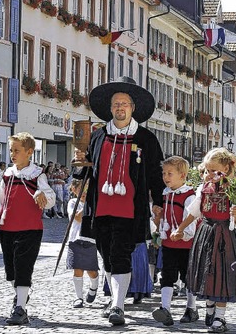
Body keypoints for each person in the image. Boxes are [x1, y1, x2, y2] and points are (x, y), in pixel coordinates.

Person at [73, 76, 164, 326]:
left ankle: (117, 306)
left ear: (133, 108)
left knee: (120, 254)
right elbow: (86, 168)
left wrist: (159, 202)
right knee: (107, 256)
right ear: (110, 108)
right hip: (100, 207)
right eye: (116, 104)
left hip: (129, 208)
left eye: (124, 103)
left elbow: (156, 173)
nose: (120, 108)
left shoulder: (145, 138)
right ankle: (115, 299)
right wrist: (79, 164)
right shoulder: (99, 135)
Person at [171, 148, 236, 332]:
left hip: (224, 235)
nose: (210, 174)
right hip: (206, 233)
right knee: (206, 272)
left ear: (226, 169)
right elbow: (194, 212)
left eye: (215, 170)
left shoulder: (234, 188)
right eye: (207, 170)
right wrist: (180, 229)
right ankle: (209, 307)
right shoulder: (203, 188)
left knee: (222, 274)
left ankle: (220, 318)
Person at [0, 132, 55, 325]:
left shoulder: (37, 175)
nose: (12, 154)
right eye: (11, 150)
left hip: (30, 228)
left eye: (16, 150)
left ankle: (20, 309)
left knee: (23, 266)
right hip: (7, 227)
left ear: (29, 152)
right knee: (11, 270)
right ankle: (20, 297)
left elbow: (50, 198)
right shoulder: (8, 174)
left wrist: (42, 195)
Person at [151, 156, 198, 326]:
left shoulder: (189, 196)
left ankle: (191, 308)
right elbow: (164, 219)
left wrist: (183, 234)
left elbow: (191, 218)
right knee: (167, 275)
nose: (165, 177)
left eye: (170, 173)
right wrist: (157, 220)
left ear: (183, 175)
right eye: (164, 173)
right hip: (169, 243)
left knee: (188, 276)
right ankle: (166, 309)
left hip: (186, 244)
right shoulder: (165, 194)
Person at [66, 178, 99, 309]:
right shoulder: (73, 203)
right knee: (77, 269)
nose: (84, 192)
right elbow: (78, 218)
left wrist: (91, 202)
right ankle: (78, 297)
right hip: (75, 239)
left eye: (86, 189)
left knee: (91, 271)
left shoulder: (94, 204)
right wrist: (87, 204)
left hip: (90, 240)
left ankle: (94, 285)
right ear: (74, 190)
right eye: (81, 189)